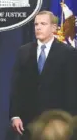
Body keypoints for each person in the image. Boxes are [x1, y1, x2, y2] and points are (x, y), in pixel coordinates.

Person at [9, 10, 77, 139]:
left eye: (43, 24)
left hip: (57, 121)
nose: (38, 27)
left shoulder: (69, 53)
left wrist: (71, 119)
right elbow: (16, 86)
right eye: (36, 24)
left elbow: (72, 88)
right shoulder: (23, 52)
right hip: (28, 121)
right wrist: (15, 115)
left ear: (53, 28)